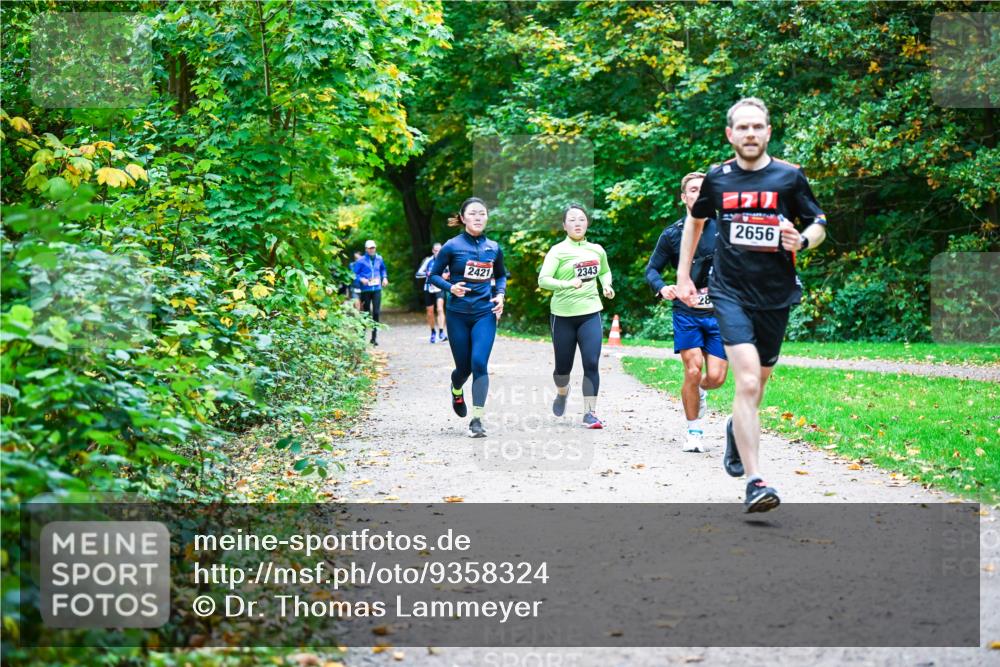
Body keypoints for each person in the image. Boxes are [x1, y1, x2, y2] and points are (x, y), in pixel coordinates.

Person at [676, 97, 827, 513]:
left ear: (768, 132)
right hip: (729, 292)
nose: (750, 134)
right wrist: (683, 274)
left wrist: (804, 239)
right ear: (730, 134)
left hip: (776, 295)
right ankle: (756, 481)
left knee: (756, 386)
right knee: (744, 382)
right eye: (742, 128)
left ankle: (734, 429)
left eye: (757, 127)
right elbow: (696, 219)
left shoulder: (789, 178)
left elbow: (818, 222)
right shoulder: (718, 179)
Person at [645, 172, 729, 452]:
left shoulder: (727, 228)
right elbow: (652, 270)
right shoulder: (673, 233)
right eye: (693, 190)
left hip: (720, 313)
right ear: (684, 197)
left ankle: (699, 390)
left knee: (715, 378)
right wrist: (663, 288)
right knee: (692, 370)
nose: (699, 194)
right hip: (686, 312)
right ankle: (694, 433)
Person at [429, 197, 506, 438]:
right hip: (458, 315)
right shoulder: (452, 246)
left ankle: (477, 420)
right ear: (463, 218)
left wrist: (501, 295)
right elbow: (433, 276)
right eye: (472, 214)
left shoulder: (493, 247)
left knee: (479, 364)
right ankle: (456, 388)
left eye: (482, 213)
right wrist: (451, 287)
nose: (478, 217)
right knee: (463, 368)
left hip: (485, 312)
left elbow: (502, 275)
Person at [537, 204, 615, 429]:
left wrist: (606, 285)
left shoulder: (596, 249)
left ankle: (590, 413)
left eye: (581, 219)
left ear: (587, 223)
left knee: (591, 363)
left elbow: (605, 271)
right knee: (563, 369)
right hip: (562, 316)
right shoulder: (557, 251)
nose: (577, 223)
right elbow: (543, 280)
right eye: (572, 220)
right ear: (564, 226)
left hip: (590, 312)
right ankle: (562, 392)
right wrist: (567, 284)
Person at [354, 240, 388, 345]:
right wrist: (361, 279)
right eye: (369, 248)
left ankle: (374, 338)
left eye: (373, 248)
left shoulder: (379, 258)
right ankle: (362, 337)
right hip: (366, 290)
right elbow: (355, 273)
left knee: (376, 312)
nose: (372, 249)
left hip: (377, 288)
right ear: (366, 249)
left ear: (375, 248)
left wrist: (385, 278)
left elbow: (383, 269)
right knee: (366, 313)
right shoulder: (361, 260)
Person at [415, 242, 448, 343]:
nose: (438, 252)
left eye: (440, 250)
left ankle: (441, 332)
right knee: (430, 312)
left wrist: (446, 275)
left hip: (440, 288)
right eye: (436, 250)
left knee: (440, 309)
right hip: (429, 288)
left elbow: (451, 272)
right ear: (433, 251)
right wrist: (428, 274)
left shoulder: (446, 260)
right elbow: (418, 274)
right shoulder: (428, 260)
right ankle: (433, 332)